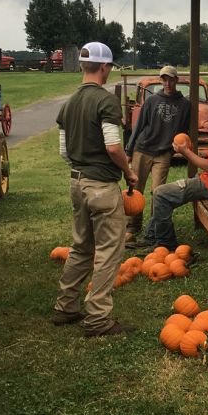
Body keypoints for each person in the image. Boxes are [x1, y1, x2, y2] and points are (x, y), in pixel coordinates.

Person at [52, 42, 138, 337]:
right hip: (101, 185)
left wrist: (82, 167)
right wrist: (128, 171)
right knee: (109, 251)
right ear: (104, 67)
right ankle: (98, 318)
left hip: (76, 183)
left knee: (81, 247)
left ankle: (65, 307)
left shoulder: (68, 103)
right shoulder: (106, 101)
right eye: (110, 67)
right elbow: (113, 146)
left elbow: (64, 152)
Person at [139, 101, 208, 250]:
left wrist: (186, 152)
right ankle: (151, 235)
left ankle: (165, 243)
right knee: (164, 195)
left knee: (160, 194)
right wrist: (197, 153)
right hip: (206, 181)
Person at [124, 65, 191, 246]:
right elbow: (138, 126)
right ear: (161, 80)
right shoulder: (152, 100)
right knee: (136, 190)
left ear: (177, 80)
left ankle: (153, 230)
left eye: (171, 79)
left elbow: (184, 130)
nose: (167, 83)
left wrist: (177, 148)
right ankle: (132, 228)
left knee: (158, 192)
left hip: (163, 153)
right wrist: (129, 150)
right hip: (143, 149)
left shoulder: (185, 104)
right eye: (164, 79)